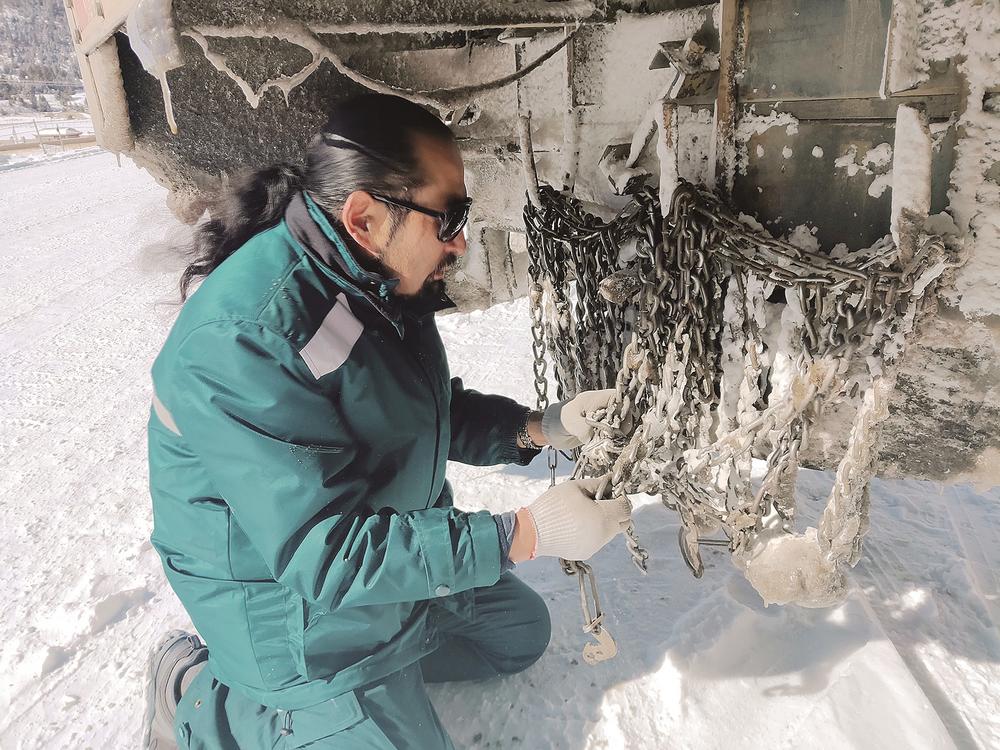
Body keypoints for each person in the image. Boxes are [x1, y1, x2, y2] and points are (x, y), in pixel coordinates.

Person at [142, 93, 632, 749]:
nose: (460, 242)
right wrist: (523, 534)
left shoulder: (369, 280)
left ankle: (380, 676)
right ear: (365, 217)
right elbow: (325, 555)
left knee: (517, 634)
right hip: (294, 610)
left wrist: (542, 426)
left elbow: (415, 412)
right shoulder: (245, 340)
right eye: (448, 218)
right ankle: (203, 699)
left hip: (366, 560)